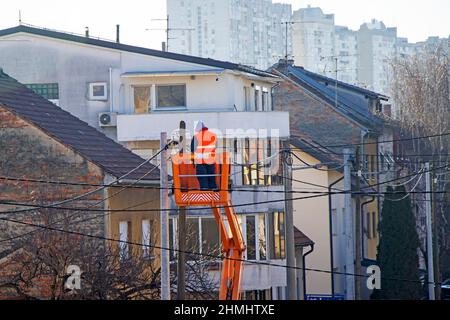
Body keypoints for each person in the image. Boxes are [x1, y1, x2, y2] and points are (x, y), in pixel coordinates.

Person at [191, 121, 218, 190]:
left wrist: (193, 162)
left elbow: (192, 151)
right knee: (211, 178)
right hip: (210, 162)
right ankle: (214, 194)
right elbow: (215, 147)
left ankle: (205, 193)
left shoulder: (196, 137)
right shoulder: (213, 135)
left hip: (200, 163)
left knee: (203, 180)